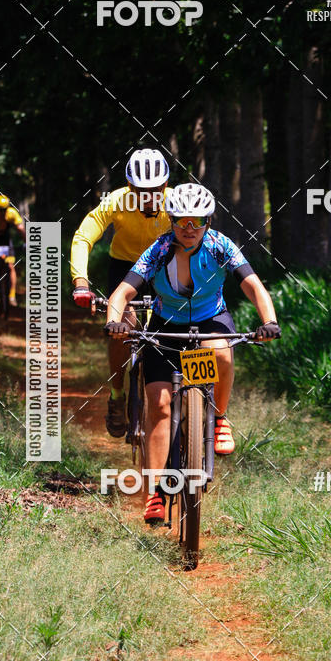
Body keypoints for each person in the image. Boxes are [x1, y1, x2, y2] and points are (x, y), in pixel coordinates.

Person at [104, 182, 281, 525]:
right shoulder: (158, 250)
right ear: (171, 221)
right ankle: (156, 490)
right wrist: (115, 322)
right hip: (165, 327)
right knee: (158, 402)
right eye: (181, 221)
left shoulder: (220, 247)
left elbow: (254, 287)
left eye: (197, 221)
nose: (189, 229)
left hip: (209, 321)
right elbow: (122, 292)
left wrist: (269, 321)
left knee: (222, 354)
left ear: (209, 221)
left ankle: (219, 418)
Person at [70, 148, 171, 437]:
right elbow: (83, 237)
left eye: (155, 190)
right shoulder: (115, 201)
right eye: (141, 190)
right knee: (122, 328)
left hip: (165, 268)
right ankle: (117, 394)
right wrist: (81, 282)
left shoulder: (177, 202)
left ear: (165, 186)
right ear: (130, 187)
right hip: (126, 269)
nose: (149, 196)